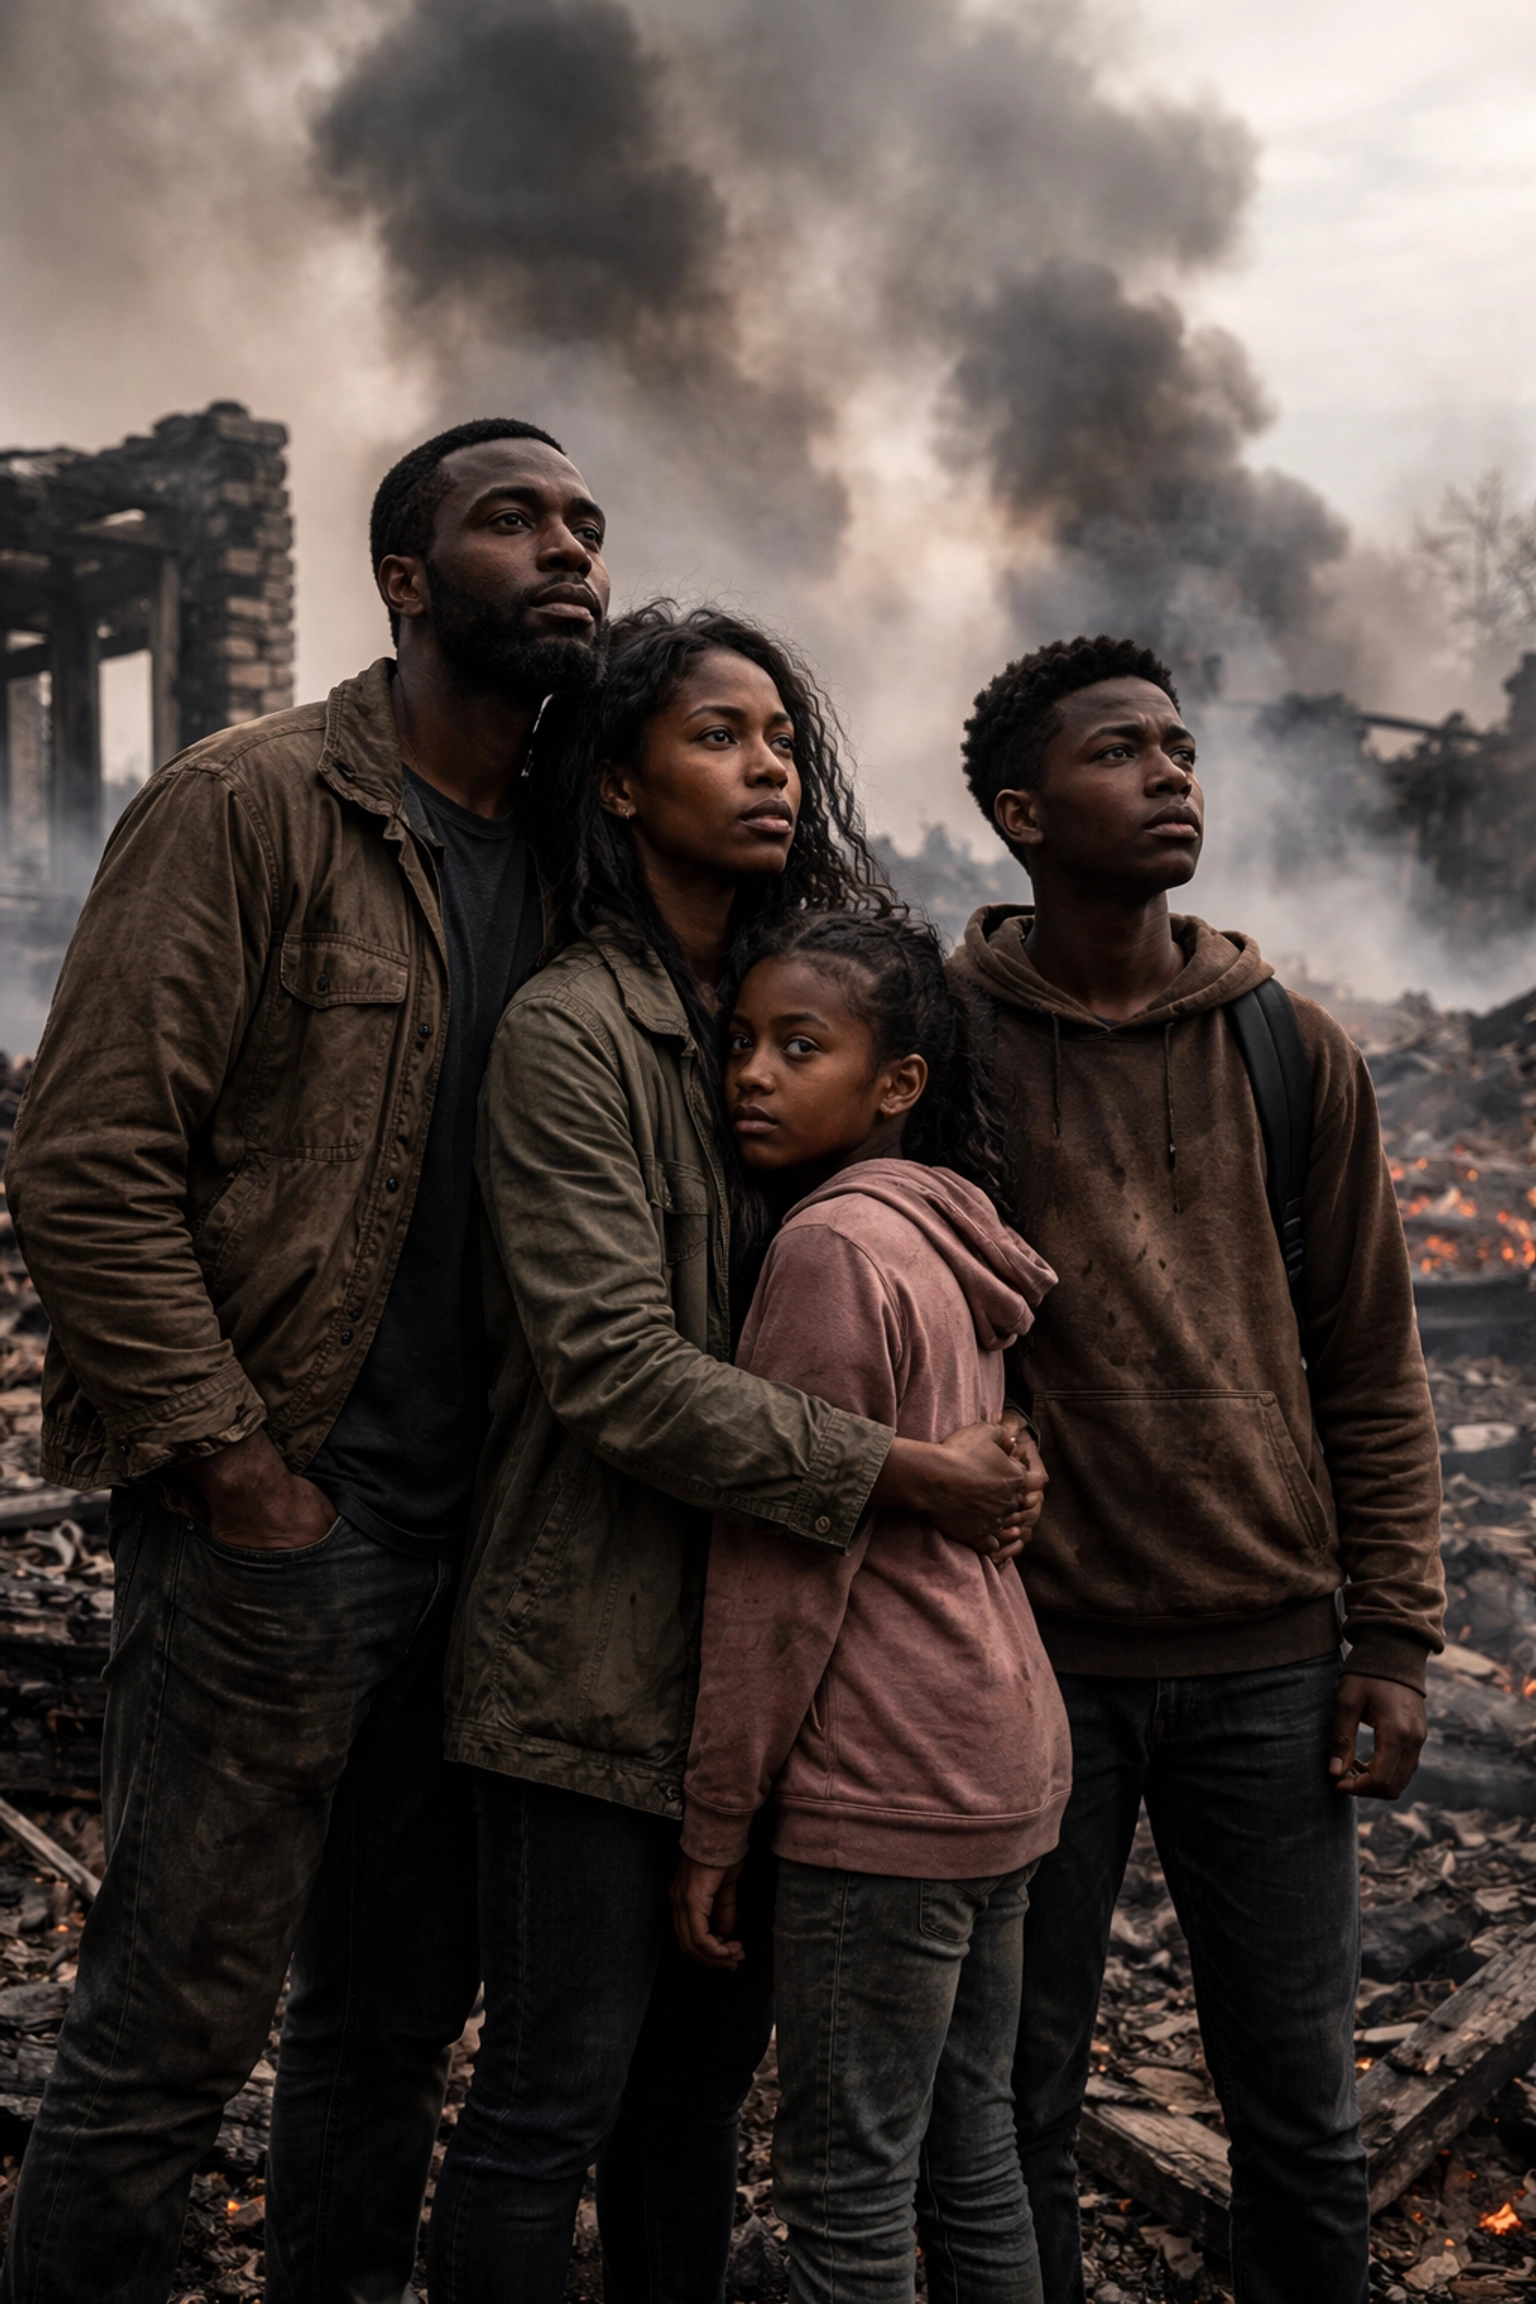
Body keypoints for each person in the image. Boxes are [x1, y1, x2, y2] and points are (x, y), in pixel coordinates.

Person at [0, 415, 614, 2304]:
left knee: (389, 2017)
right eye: (513, 519)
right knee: (169, 2028)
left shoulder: (592, 852)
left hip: (492, 1550)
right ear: (406, 580)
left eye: (588, 521)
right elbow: (86, 1161)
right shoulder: (250, 806)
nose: (570, 547)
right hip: (283, 1540)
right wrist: (235, 1472)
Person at [430, 608, 1042, 2304]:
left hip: (769, 1686)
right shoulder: (574, 1032)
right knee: (548, 2103)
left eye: (780, 735)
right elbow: (615, 1370)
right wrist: (910, 1476)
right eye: (716, 735)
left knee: (690, 2104)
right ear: (619, 785)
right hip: (587, 1662)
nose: (767, 764)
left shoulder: (785, 1011)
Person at [946, 635, 1446, 2304]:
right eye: (1119, 754)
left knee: (1301, 2121)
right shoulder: (941, 1053)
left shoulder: (1290, 1053)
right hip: (1033, 1663)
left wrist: (1392, 1635)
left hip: (1271, 1667)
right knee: (1018, 2103)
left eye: (1179, 746)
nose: (1170, 774)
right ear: (1021, 814)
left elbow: (1372, 1363)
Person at [673, 912, 1072, 2304]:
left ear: (897, 1081)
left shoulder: (827, 1252)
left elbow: (780, 1573)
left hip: (888, 1777)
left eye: (802, 1048)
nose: (753, 1078)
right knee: (974, 2164)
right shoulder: (943, 1230)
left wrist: (717, 1821)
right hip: (999, 1754)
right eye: (740, 1045)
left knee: (847, 2204)